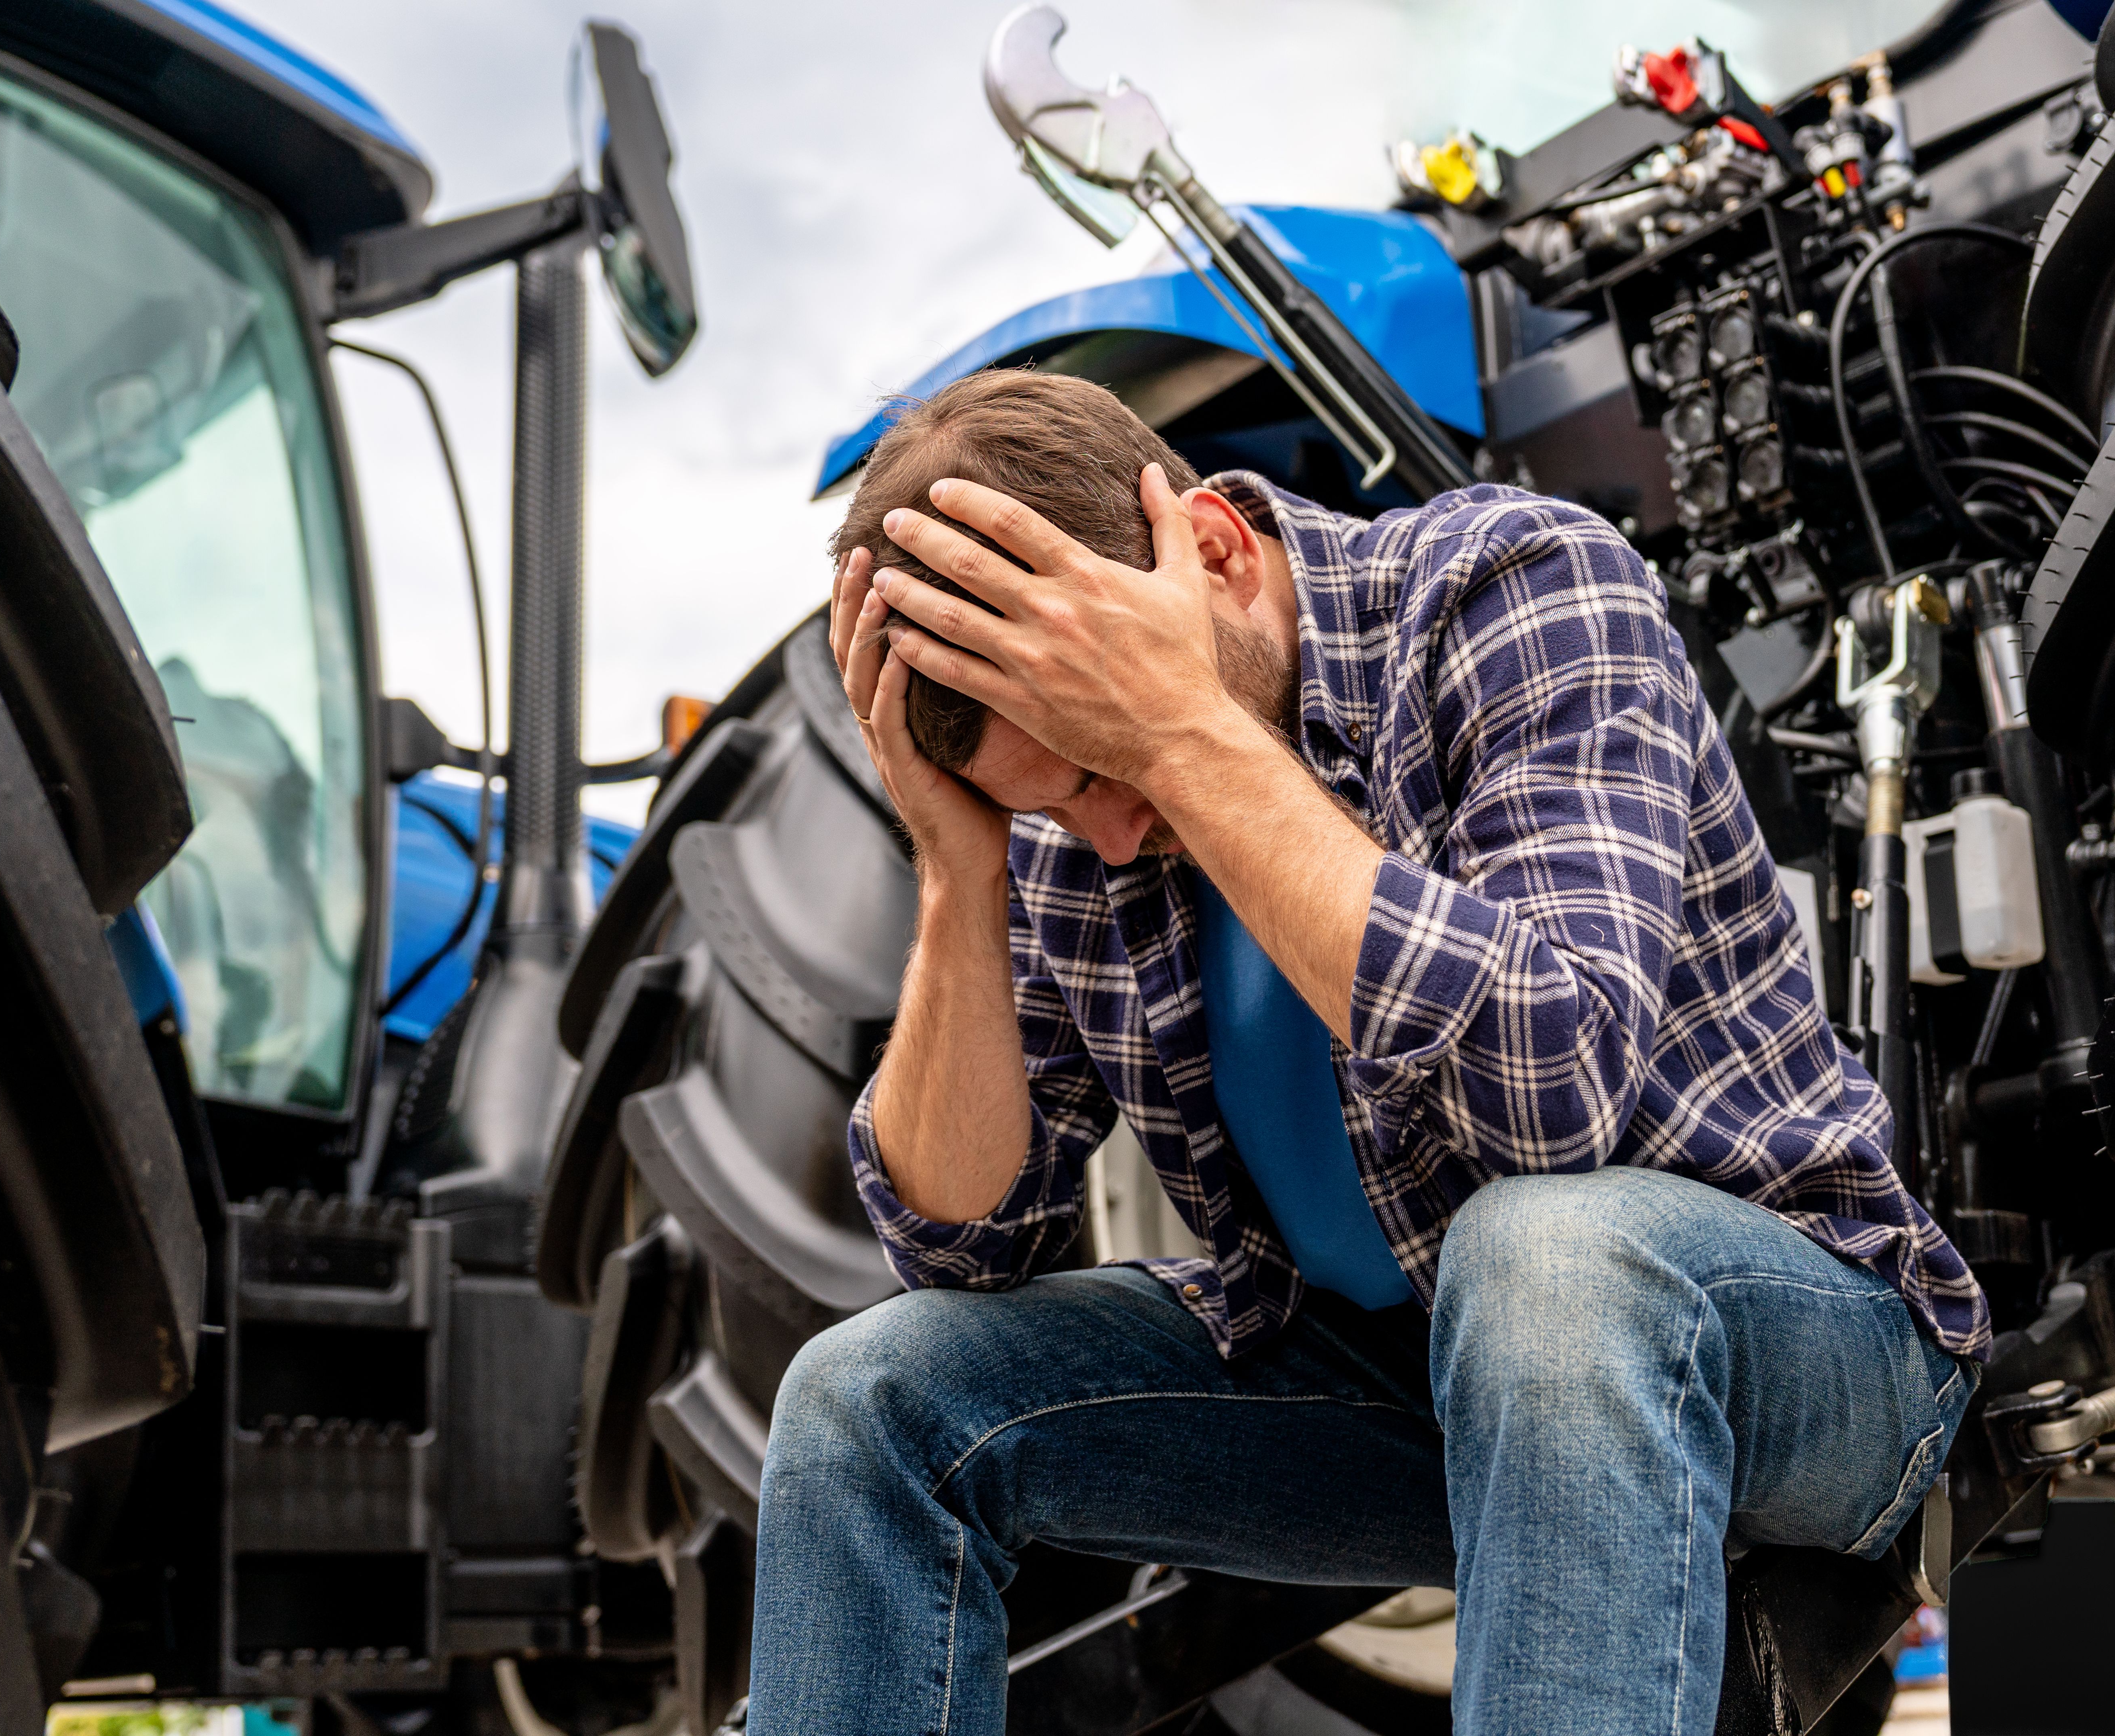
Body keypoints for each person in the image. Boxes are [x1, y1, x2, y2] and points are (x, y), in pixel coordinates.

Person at [749, 369, 1983, 1736]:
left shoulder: (1513, 586)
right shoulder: (1067, 833)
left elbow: (1555, 1090)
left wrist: (1181, 739)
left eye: (1101, 772)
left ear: (1210, 552)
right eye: (1045, 801)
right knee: (870, 1399)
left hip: (1797, 1343)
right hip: (1406, 1381)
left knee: (1545, 1258)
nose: (1100, 835)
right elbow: (963, 1248)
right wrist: (957, 869)